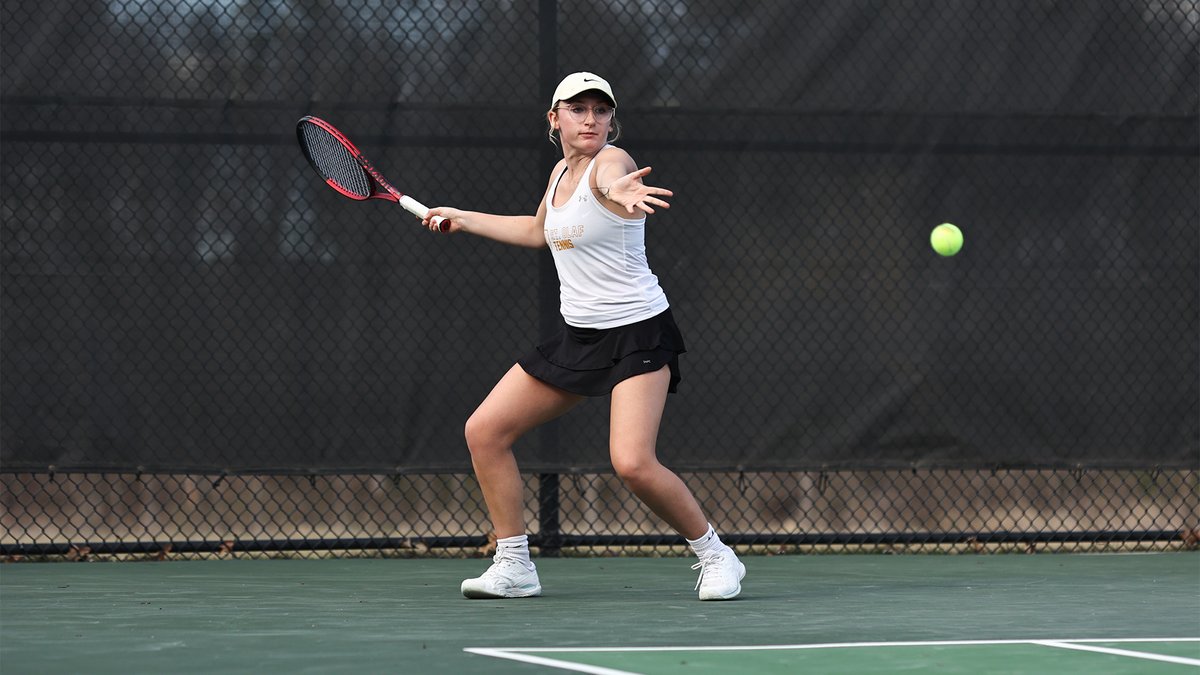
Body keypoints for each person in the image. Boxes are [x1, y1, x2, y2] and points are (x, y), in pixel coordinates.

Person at [422, 72, 745, 601]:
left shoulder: (612, 163)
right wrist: (463, 218)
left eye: (600, 110)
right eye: (578, 109)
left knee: (632, 463)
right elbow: (536, 231)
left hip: (639, 331)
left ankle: (716, 554)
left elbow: (611, 182)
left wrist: (617, 188)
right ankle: (514, 564)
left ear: (611, 120)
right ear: (555, 119)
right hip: (581, 335)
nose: (591, 118)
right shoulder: (556, 175)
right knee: (484, 431)